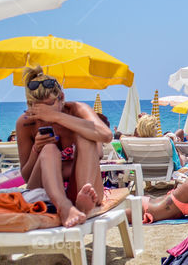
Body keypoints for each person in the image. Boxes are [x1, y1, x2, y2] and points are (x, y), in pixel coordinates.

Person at [15, 66, 114, 226]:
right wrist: (36, 151)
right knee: (48, 149)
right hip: (44, 190)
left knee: (86, 136)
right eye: (39, 108)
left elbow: (106, 136)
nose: (44, 114)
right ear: (30, 104)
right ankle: (64, 205)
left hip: (84, 188)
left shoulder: (77, 110)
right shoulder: (26, 123)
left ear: (61, 98)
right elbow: (27, 177)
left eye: (49, 105)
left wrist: (57, 117)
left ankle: (82, 201)